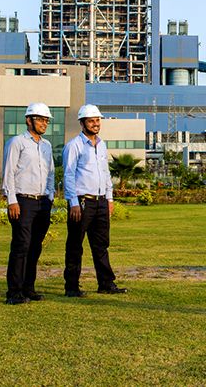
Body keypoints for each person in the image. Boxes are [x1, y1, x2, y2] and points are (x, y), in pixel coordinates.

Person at [62, 104, 127, 297]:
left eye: (97, 120)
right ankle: (72, 287)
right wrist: (73, 202)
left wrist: (109, 198)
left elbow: (105, 173)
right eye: (91, 121)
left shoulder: (102, 145)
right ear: (82, 123)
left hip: (100, 202)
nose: (96, 124)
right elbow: (68, 175)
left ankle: (106, 283)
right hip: (82, 202)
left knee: (101, 245)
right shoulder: (74, 145)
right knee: (75, 245)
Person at [2, 103, 56, 305]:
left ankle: (28, 288)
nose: (44, 124)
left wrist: (50, 195)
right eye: (40, 119)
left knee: (35, 247)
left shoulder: (46, 145)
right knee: (21, 246)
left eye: (46, 120)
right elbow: (8, 172)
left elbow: (50, 172)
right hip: (23, 200)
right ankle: (14, 292)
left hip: (42, 201)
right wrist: (12, 200)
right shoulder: (17, 142)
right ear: (29, 120)